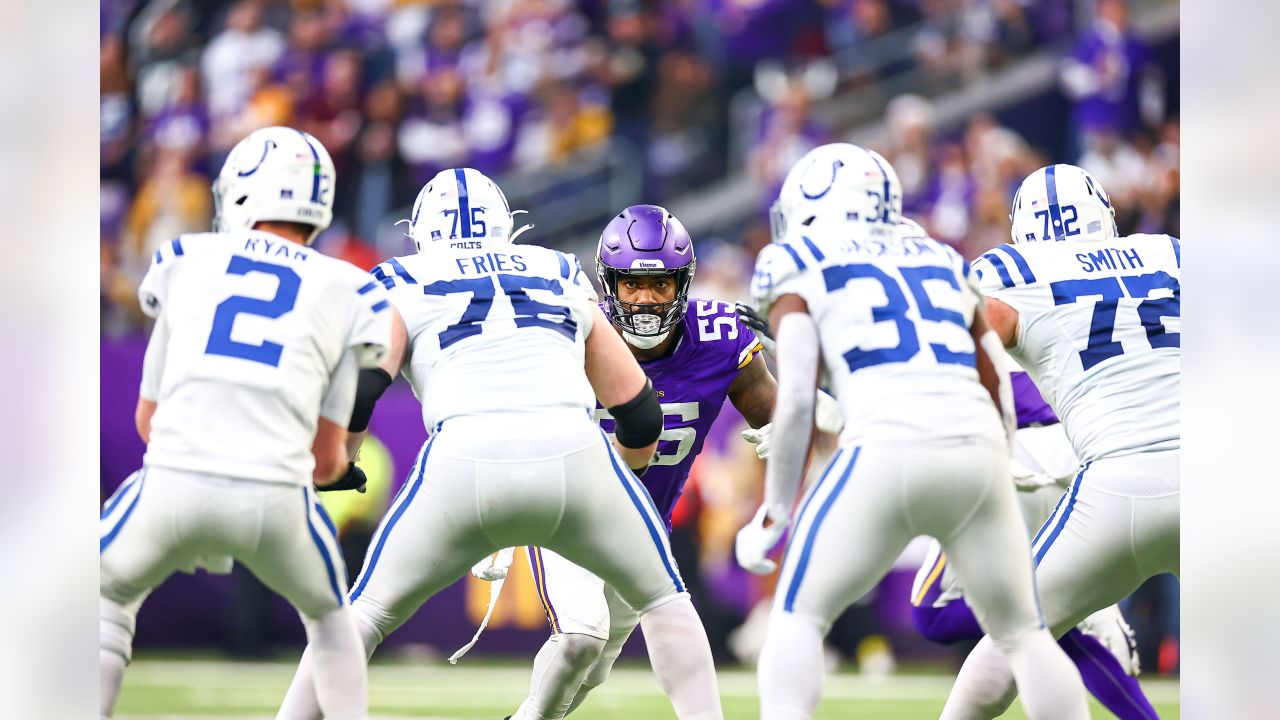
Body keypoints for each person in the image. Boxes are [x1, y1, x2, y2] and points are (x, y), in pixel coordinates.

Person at [275, 170, 725, 720]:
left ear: (420, 233)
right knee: (665, 600)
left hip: (461, 460)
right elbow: (638, 412)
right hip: (576, 454)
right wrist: (619, 494)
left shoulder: (398, 277)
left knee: (362, 616)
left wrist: (337, 460)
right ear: (507, 227)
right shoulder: (556, 267)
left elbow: (367, 380)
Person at [736, 142, 1089, 720]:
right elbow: (995, 381)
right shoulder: (941, 259)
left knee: (799, 617)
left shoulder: (795, 259)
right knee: (1024, 635)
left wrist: (774, 512)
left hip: (883, 449)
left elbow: (796, 397)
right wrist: (996, 463)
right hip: (975, 449)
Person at [496, 204, 844, 720]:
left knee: (596, 667)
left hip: (641, 524)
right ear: (607, 284)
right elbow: (510, 418)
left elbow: (789, 414)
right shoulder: (568, 333)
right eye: (631, 284)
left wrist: (811, 406)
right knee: (579, 638)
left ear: (683, 283)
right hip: (565, 510)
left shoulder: (718, 339)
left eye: (659, 284)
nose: (644, 299)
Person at [100, 127, 389, 720]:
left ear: (241, 193)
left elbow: (147, 421)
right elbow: (327, 460)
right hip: (276, 496)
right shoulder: (347, 287)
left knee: (103, 603)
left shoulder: (184, 259)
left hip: (174, 479)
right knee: (334, 623)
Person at [939, 163, 1179, 719]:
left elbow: (954, 345)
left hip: (1117, 489)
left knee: (1011, 638)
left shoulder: (1011, 269)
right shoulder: (1169, 252)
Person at [910, 347, 1158, 720]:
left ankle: (1085, 613)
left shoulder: (963, 300)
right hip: (1075, 455)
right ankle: (1089, 615)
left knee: (934, 613)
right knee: (1054, 616)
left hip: (1007, 457)